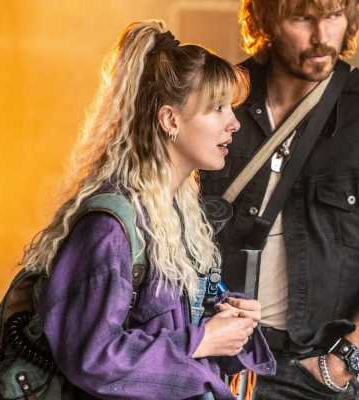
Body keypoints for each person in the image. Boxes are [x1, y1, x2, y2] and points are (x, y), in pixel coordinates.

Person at [20, 20, 275, 399]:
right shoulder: (110, 227)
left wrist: (225, 318)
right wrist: (201, 340)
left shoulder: (177, 216)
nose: (234, 123)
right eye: (217, 108)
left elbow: (163, 328)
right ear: (170, 120)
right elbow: (94, 358)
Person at [199, 1, 359, 398]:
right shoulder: (216, 98)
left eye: (333, 16)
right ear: (264, 18)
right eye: (302, 18)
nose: (322, 36)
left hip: (308, 372)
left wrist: (341, 364)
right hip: (207, 361)